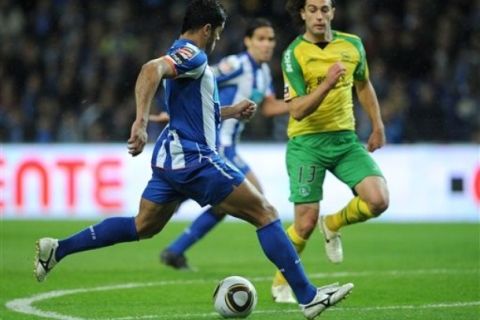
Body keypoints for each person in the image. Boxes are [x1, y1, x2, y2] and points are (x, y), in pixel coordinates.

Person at [33, 1, 353, 318]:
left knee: (141, 226)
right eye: (217, 35)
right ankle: (308, 297)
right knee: (266, 213)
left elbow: (195, 109)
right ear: (207, 29)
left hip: (171, 162)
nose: (216, 42)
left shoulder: (182, 53)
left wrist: (229, 111)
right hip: (195, 159)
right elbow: (150, 69)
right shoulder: (193, 53)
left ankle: (58, 248)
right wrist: (140, 122)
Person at [270, 0, 389, 303]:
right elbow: (296, 110)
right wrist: (328, 84)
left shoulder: (353, 45)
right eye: (313, 10)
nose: (319, 16)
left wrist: (377, 124)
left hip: (345, 141)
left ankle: (333, 224)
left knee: (378, 200)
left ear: (333, 12)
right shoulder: (293, 54)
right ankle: (281, 281)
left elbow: (364, 85)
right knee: (304, 223)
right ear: (303, 14)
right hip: (307, 144)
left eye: (325, 9)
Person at [157, 17, 289, 272]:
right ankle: (176, 213)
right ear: (247, 41)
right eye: (260, 39)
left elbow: (270, 107)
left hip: (230, 146)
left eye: (271, 39)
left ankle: (175, 248)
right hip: (217, 143)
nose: (267, 44)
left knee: (223, 205)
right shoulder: (236, 64)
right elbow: (199, 79)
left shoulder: (262, 74)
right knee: (254, 199)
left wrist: (307, 101)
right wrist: (177, 110)